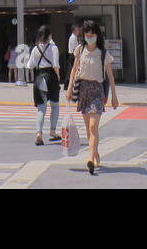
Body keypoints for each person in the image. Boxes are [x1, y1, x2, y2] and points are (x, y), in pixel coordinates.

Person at [66, 19, 118, 175]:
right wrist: (69, 89)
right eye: (87, 33)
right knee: (88, 127)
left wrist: (114, 96)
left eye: (92, 33)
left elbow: (110, 76)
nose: (89, 36)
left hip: (96, 90)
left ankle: (90, 159)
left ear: (97, 35)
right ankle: (94, 153)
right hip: (83, 89)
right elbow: (74, 70)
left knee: (93, 126)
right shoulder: (79, 50)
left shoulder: (103, 54)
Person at [28, 26, 61, 145]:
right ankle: (52, 131)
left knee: (41, 108)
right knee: (55, 106)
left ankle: (39, 133)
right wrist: (58, 76)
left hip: (39, 78)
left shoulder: (35, 49)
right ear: (50, 36)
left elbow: (30, 65)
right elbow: (56, 65)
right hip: (51, 77)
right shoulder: (54, 48)